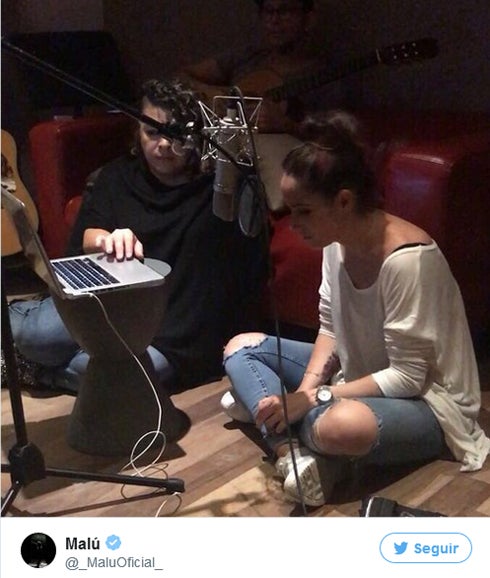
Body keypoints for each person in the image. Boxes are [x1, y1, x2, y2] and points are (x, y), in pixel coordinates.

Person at [221, 110, 490, 507]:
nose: (293, 223)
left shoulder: (407, 260)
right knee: (241, 349)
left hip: (427, 403)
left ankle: (275, 423)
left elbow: (407, 378)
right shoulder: (336, 241)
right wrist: (306, 391)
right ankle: (290, 451)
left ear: (344, 201)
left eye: (303, 210)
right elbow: (330, 327)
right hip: (357, 374)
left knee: (336, 426)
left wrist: (311, 399)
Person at [8, 79, 268, 394]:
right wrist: (106, 240)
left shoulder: (220, 187)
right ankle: (31, 345)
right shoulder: (118, 176)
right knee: (35, 337)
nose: (163, 144)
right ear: (137, 132)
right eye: (152, 132)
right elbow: (86, 236)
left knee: (122, 377)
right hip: (112, 306)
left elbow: (248, 258)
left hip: (175, 330)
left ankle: (33, 369)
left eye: (175, 133)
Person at [178, 0, 320, 135]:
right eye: (268, 11)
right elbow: (181, 76)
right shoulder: (247, 56)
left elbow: (330, 138)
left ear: (309, 19)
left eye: (285, 11)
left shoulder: (324, 77)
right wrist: (215, 94)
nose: (274, 20)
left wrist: (287, 126)